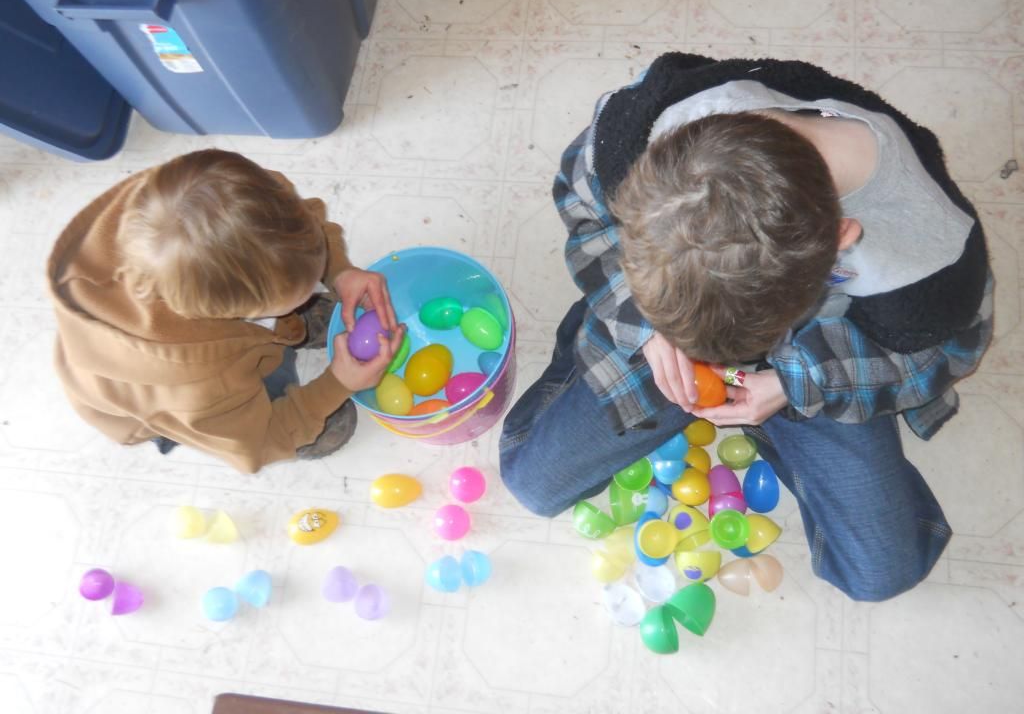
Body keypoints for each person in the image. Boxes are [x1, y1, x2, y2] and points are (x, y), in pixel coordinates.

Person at [499, 54, 993, 600]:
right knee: (531, 484)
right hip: (673, 330)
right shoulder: (638, 134)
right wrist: (647, 330)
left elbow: (945, 351)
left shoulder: (931, 264)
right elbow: (585, 207)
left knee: (882, 574)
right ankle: (662, 329)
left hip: (821, 356)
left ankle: (770, 409)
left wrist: (792, 382)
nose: (719, 368)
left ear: (840, 239)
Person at [47, 149, 404, 473]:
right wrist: (336, 385)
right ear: (236, 313)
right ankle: (291, 402)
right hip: (171, 402)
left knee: (280, 299)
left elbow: (301, 220)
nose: (315, 288)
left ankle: (282, 326)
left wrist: (338, 271)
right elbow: (257, 444)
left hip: (199, 335)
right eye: (300, 296)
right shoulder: (201, 387)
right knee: (269, 411)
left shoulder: (220, 196)